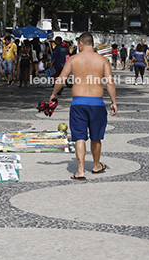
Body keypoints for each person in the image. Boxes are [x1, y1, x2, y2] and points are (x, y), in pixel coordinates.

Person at [50, 32, 118, 180]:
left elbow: (61, 79)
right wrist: (113, 102)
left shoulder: (74, 59)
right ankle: (96, 165)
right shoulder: (102, 60)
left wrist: (54, 94)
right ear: (92, 43)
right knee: (96, 137)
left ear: (80, 43)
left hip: (78, 103)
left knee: (79, 137)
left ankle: (80, 171)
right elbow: (110, 83)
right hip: (97, 104)